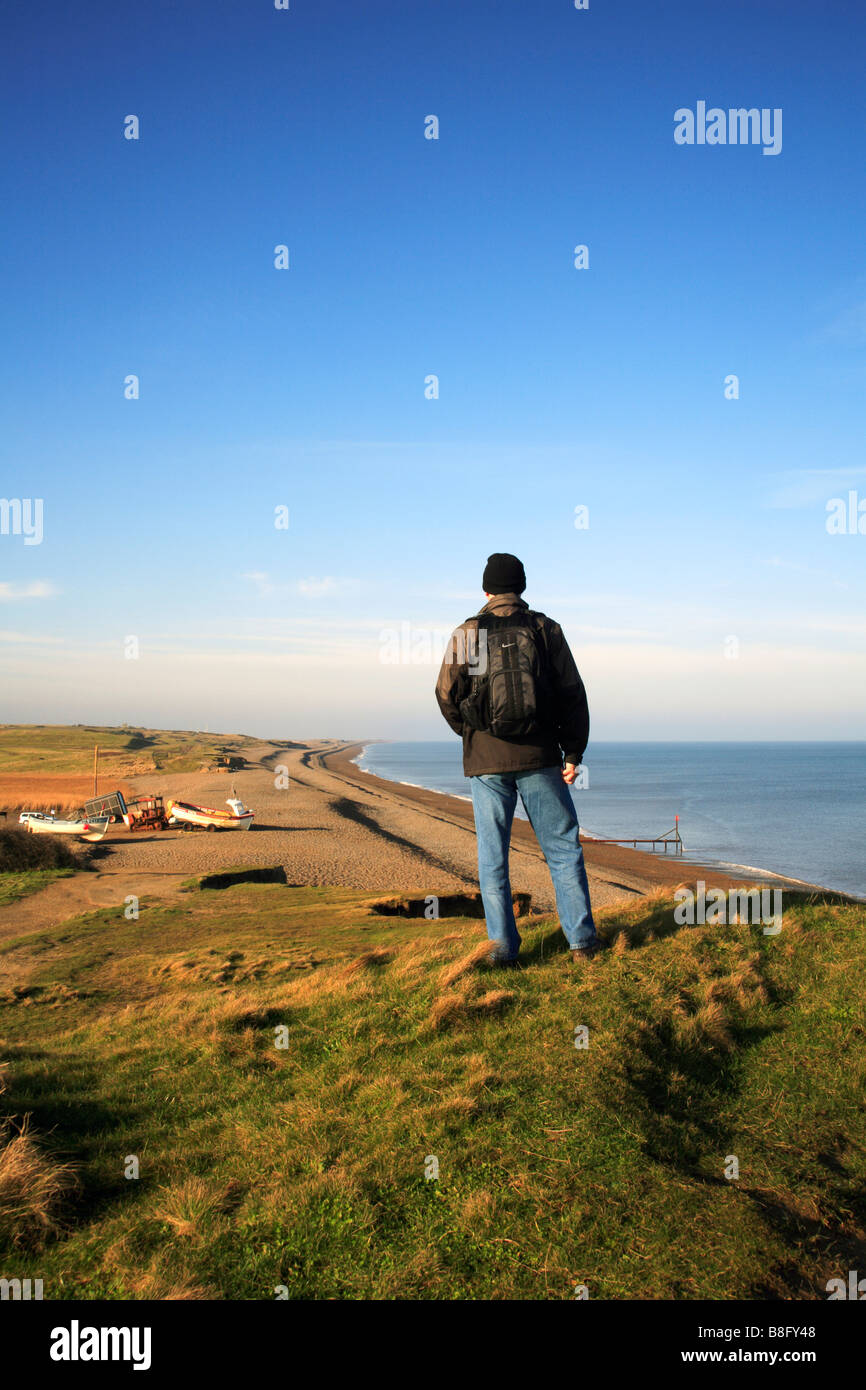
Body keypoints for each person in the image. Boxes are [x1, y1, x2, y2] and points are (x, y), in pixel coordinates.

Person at [435, 552, 602, 967]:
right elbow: (572, 693)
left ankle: (503, 952)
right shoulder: (546, 629)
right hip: (541, 755)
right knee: (563, 850)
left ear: (486, 589)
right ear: (521, 587)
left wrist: (472, 735)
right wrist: (573, 751)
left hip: (486, 762)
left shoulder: (467, 632)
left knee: (493, 859)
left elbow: (444, 695)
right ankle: (582, 945)